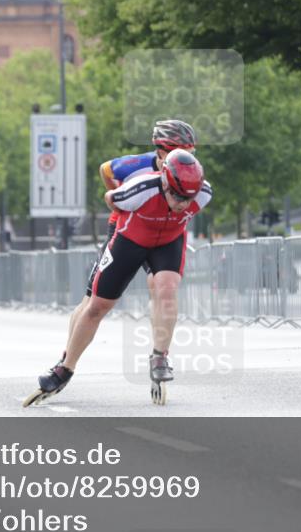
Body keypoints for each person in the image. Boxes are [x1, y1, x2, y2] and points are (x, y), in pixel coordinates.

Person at [25, 149, 212, 406]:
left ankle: (160, 356)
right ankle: (65, 368)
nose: (182, 203)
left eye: (187, 198)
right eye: (177, 195)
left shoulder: (202, 194)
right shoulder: (140, 189)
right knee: (97, 307)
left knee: (166, 288)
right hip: (130, 240)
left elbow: (186, 202)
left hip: (167, 242)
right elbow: (110, 197)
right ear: (165, 181)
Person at [62, 119, 198, 363]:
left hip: (160, 230)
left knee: (161, 285)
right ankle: (67, 356)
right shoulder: (138, 164)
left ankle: (159, 353)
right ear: (161, 150)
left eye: (190, 153)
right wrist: (123, 199)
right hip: (126, 228)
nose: (187, 158)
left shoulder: (186, 170)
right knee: (91, 299)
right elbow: (106, 169)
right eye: (181, 151)